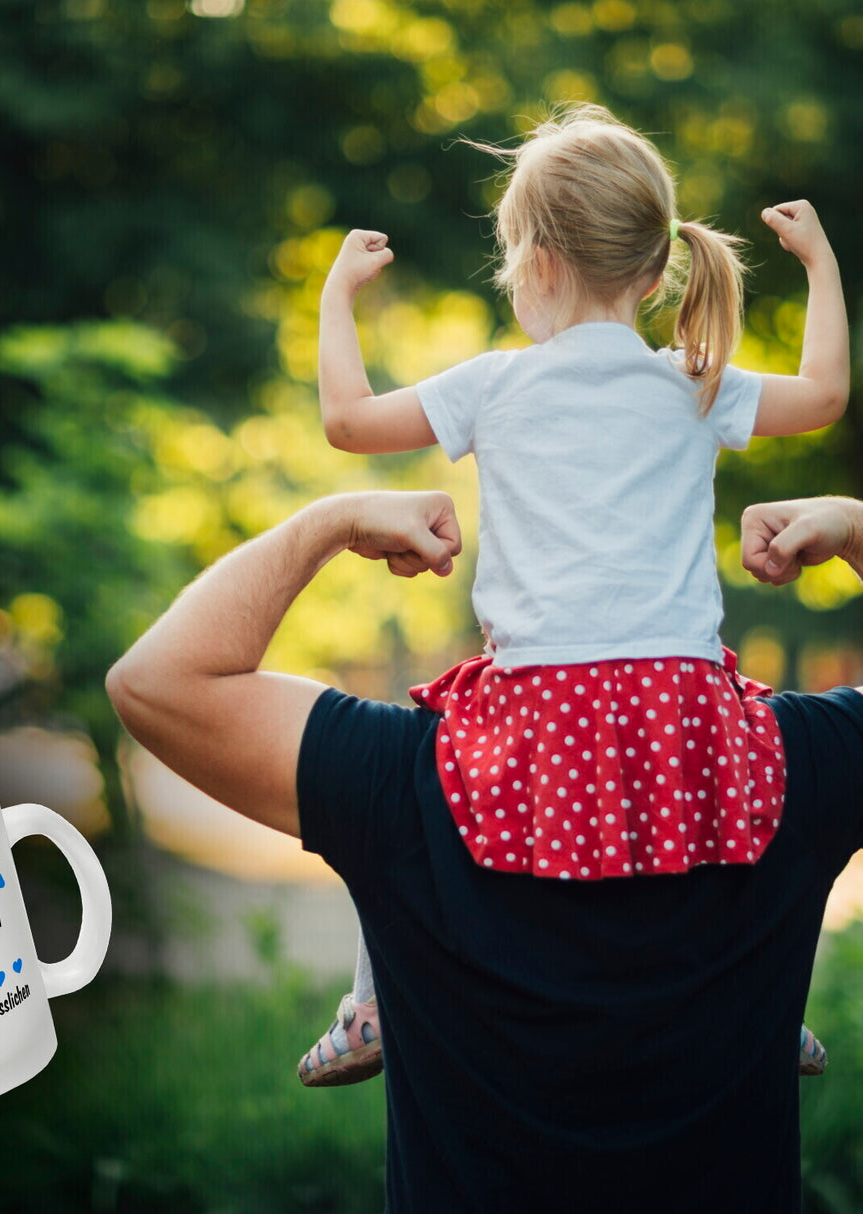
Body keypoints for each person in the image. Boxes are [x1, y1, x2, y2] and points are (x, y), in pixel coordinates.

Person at [107, 490, 863, 1214]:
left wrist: (328, 524)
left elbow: (155, 682)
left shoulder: (409, 776)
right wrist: (857, 529)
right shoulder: (786, 765)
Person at [301, 103, 848, 1085]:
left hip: (537, 701)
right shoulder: (694, 379)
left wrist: (335, 292)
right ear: (652, 270)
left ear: (533, 262)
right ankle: (770, 1005)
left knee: (398, 788)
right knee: (755, 793)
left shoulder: (492, 385)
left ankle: (373, 1003)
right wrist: (818, 266)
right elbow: (822, 394)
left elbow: (345, 420)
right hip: (678, 696)